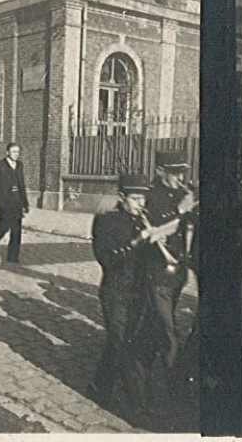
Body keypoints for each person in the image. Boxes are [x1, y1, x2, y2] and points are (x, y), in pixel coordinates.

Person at [90, 174, 158, 415]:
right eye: (135, 198)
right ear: (122, 197)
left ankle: (99, 386)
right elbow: (107, 259)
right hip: (115, 292)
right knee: (124, 346)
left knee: (117, 343)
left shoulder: (143, 221)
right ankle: (138, 404)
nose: (141, 204)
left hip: (138, 293)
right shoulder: (105, 222)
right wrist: (136, 242)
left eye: (143, 199)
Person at [144, 151, 198, 367]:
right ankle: (170, 372)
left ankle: (149, 357)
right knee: (168, 326)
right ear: (159, 171)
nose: (179, 178)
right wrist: (179, 210)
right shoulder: (148, 195)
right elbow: (153, 232)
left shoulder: (183, 193)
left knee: (159, 319)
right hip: (157, 268)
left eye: (181, 173)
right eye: (174, 173)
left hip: (178, 270)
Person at [0, 143, 29, 264]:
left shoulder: (19, 165)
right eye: (13, 152)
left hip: (17, 202)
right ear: (7, 152)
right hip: (5, 202)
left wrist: (25, 203)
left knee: (16, 231)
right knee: (3, 227)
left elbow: (22, 184)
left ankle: (13, 256)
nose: (16, 154)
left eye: (17, 152)